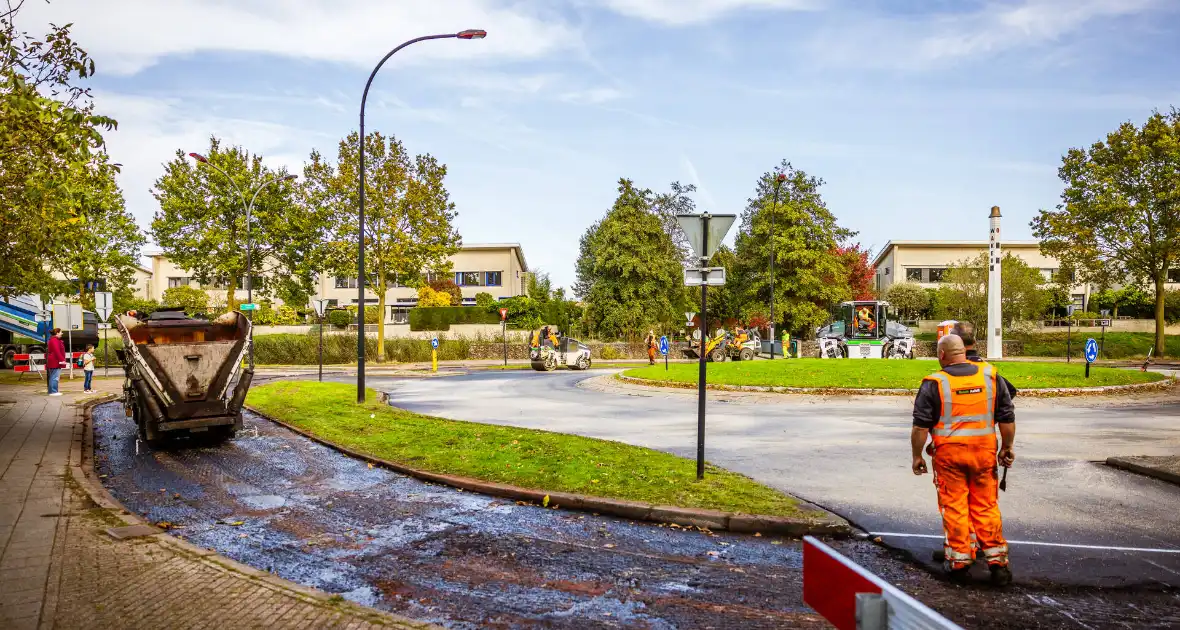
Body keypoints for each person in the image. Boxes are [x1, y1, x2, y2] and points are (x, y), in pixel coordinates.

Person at [912, 334, 1016, 586]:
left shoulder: (934, 382)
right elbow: (1006, 417)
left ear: (941, 355)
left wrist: (917, 456)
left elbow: (920, 427)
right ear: (964, 352)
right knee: (986, 506)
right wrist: (1007, 447)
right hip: (984, 454)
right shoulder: (990, 376)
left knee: (955, 506)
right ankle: (998, 564)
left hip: (950, 457)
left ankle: (959, 562)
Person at [46, 328, 66, 397]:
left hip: (54, 360)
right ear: (57, 333)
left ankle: (53, 391)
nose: (62, 333)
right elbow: (57, 351)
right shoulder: (55, 340)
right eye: (61, 332)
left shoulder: (54, 340)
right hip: (55, 361)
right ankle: (53, 391)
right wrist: (62, 359)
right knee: (55, 377)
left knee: (53, 376)